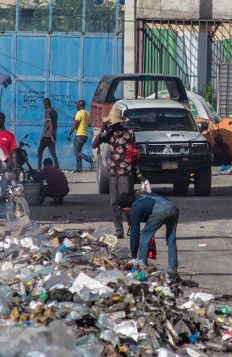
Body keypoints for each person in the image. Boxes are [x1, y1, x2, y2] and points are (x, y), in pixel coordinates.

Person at [92, 108, 136, 238]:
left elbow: (134, 153)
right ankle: (119, 230)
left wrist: (138, 172)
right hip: (113, 172)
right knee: (114, 202)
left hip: (126, 172)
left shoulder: (129, 133)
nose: (111, 124)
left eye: (112, 122)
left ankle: (132, 227)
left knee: (126, 201)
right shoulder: (109, 134)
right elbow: (94, 145)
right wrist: (102, 129)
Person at [118, 191, 179, 277]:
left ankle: (141, 266)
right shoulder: (144, 197)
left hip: (160, 210)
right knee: (171, 239)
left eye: (123, 210)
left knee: (144, 236)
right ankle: (173, 269)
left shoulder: (135, 206)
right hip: (172, 207)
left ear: (128, 206)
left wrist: (134, 257)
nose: (124, 213)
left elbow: (134, 233)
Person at [66, 100, 96, 173]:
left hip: (79, 134)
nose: (76, 106)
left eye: (77, 105)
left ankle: (90, 160)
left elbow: (76, 124)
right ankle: (78, 168)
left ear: (80, 105)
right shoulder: (87, 113)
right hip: (85, 135)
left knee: (76, 152)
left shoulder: (79, 113)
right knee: (78, 151)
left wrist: (70, 133)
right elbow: (89, 124)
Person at [37, 98, 60, 169]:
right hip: (53, 135)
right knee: (53, 153)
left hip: (47, 135)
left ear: (46, 104)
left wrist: (51, 136)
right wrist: (53, 135)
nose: (43, 105)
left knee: (40, 151)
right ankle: (57, 167)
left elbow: (50, 124)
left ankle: (39, 168)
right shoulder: (55, 112)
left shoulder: (47, 112)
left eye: (44, 104)